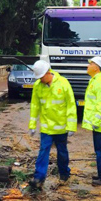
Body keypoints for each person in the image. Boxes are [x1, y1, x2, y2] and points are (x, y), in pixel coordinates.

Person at [28, 60, 77, 190]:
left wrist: (71, 126)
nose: (40, 80)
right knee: (43, 151)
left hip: (61, 127)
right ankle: (39, 177)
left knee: (62, 152)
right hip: (46, 127)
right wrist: (32, 125)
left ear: (48, 73)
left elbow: (71, 106)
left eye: (41, 77)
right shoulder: (38, 86)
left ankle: (64, 174)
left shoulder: (63, 83)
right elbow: (35, 106)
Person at [81, 56, 101, 186]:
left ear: (97, 67)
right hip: (99, 123)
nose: (88, 66)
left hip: (100, 123)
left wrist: (96, 120)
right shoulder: (96, 80)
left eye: (91, 64)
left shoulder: (100, 82)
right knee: (100, 149)